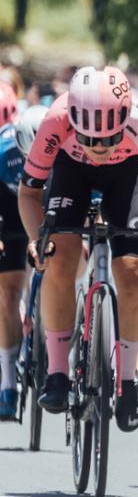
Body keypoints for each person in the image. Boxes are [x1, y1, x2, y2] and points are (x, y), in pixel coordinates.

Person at [18, 67, 138, 431]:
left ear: (124, 119)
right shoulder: (55, 121)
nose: (98, 148)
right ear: (72, 122)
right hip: (71, 171)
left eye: (108, 139)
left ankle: (127, 379)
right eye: (88, 138)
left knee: (132, 272)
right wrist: (36, 241)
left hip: (129, 172)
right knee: (59, 257)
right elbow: (29, 194)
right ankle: (58, 371)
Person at [0, 84, 24, 419]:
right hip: (7, 207)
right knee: (6, 294)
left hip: (40, 198)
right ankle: (7, 382)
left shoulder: (23, 134)